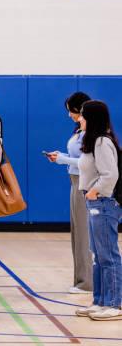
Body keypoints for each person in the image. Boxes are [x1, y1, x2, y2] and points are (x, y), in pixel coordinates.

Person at [74, 100, 122, 321]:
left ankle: (114, 304)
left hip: (103, 203)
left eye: (82, 115)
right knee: (98, 256)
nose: (79, 118)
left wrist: (94, 191)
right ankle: (100, 301)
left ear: (92, 118)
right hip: (94, 203)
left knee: (108, 255)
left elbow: (110, 174)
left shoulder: (102, 142)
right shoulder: (92, 141)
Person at [45, 92, 93, 294]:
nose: (70, 115)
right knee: (77, 234)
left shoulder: (90, 132)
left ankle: (86, 283)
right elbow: (77, 158)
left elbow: (87, 162)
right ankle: (80, 280)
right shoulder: (79, 130)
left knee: (84, 235)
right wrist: (61, 156)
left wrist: (62, 159)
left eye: (71, 111)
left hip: (84, 183)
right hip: (74, 181)